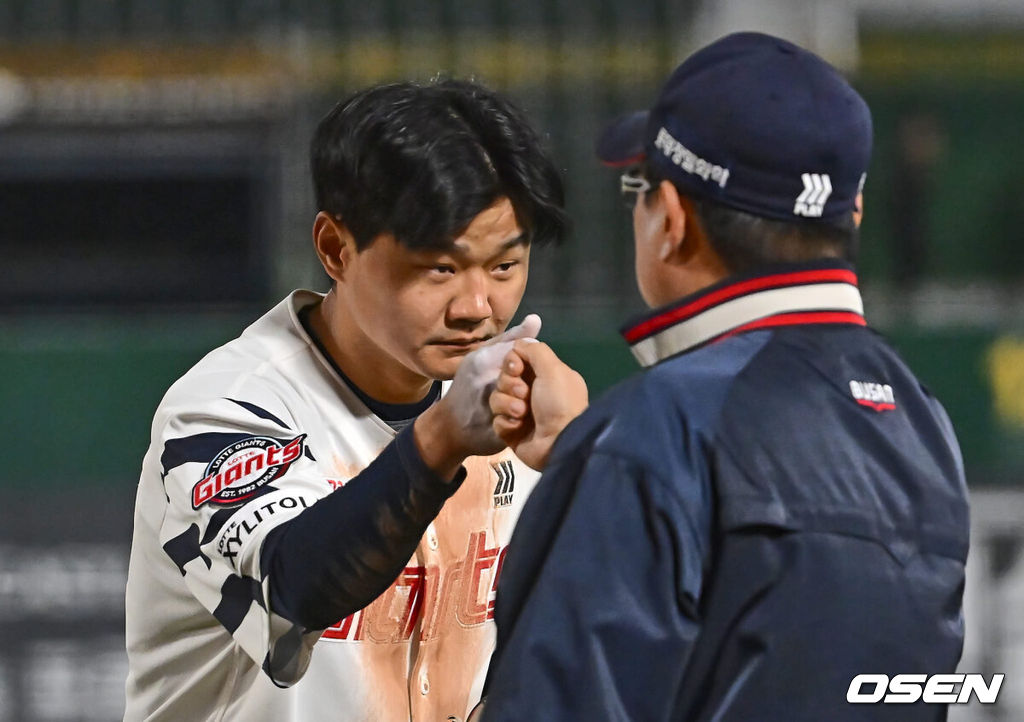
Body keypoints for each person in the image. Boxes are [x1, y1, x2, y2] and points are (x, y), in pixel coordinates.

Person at [480, 32, 969, 721]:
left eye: (637, 189)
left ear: (672, 220)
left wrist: (602, 465)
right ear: (849, 212)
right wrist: (587, 458)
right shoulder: (922, 421)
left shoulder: (649, 436)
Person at [123, 78, 568, 722]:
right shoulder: (226, 407)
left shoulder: (514, 411)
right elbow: (295, 586)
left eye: (504, 267)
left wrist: (585, 455)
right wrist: (441, 439)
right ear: (336, 248)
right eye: (440, 268)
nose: (477, 308)